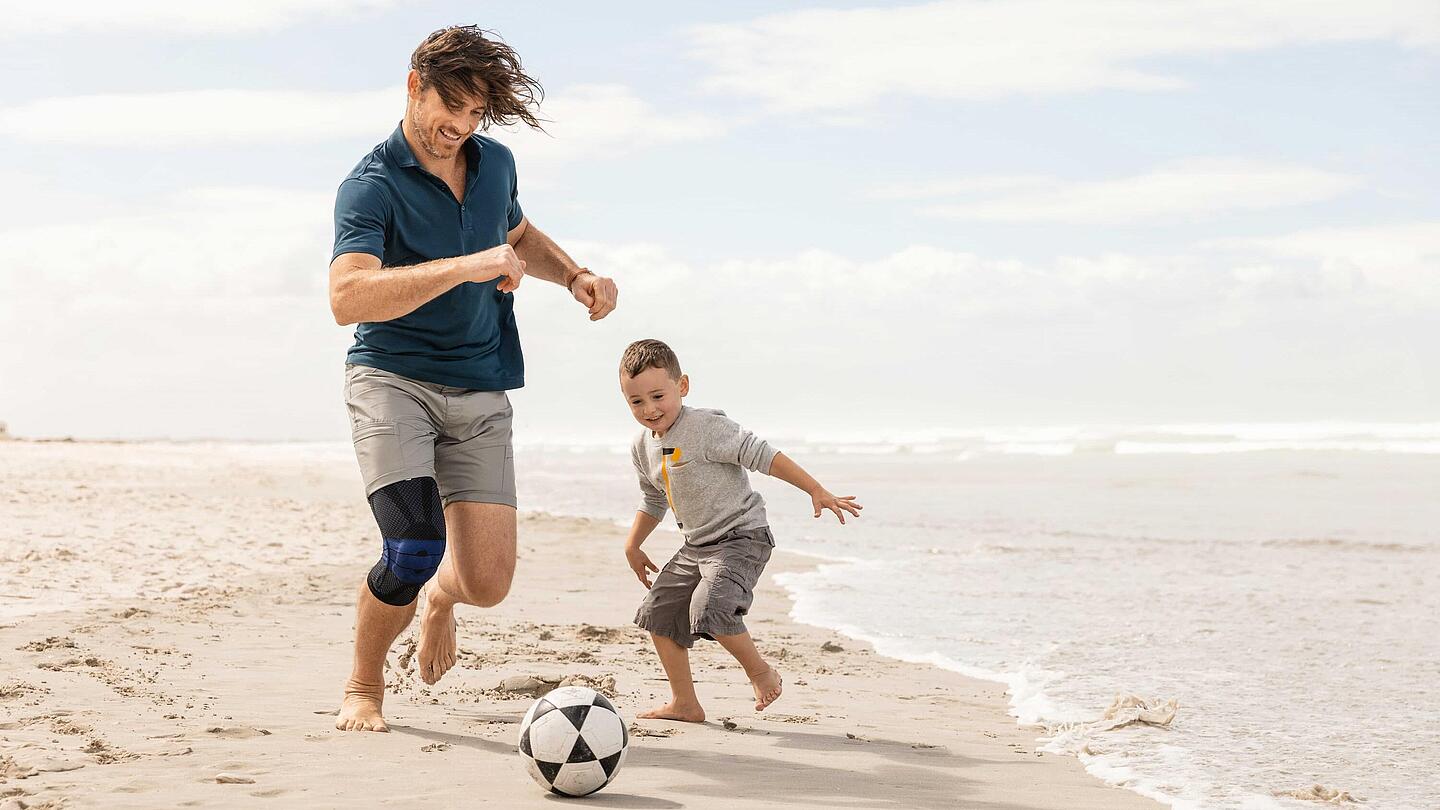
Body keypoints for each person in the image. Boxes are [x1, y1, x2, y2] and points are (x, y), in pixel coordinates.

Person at [328, 25, 618, 732]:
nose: (456, 126)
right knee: (414, 546)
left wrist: (574, 274)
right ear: (412, 86)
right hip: (393, 380)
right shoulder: (369, 186)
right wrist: (466, 267)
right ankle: (364, 687)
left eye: (473, 113)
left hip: (482, 386)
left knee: (487, 585)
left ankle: (440, 602)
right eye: (447, 106)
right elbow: (347, 299)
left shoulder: (495, 164)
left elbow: (515, 235)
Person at [618, 339, 862, 720]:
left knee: (710, 607)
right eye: (636, 402)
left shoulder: (706, 428)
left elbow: (763, 455)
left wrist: (815, 489)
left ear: (682, 386)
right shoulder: (641, 446)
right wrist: (633, 545)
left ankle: (761, 673)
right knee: (658, 614)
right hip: (696, 545)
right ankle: (685, 703)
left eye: (658, 395)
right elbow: (653, 499)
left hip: (741, 538)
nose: (649, 409)